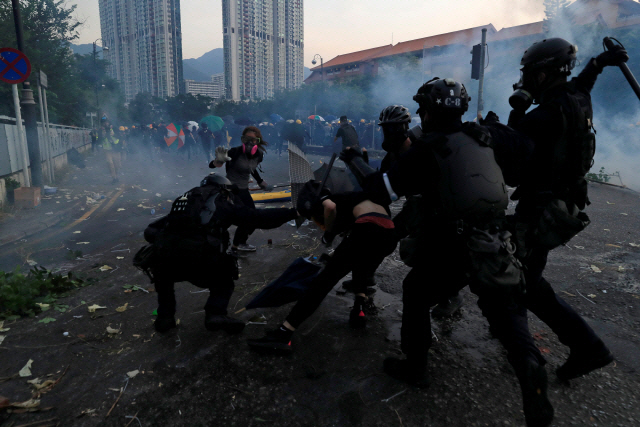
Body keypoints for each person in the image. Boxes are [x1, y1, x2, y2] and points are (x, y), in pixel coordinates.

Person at [342, 78, 552, 427]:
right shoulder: (487, 134)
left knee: (415, 290)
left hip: (452, 245)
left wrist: (355, 162)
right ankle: (529, 364)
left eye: (422, 109)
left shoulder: (427, 148)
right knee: (505, 309)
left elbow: (383, 190)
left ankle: (416, 366)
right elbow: (526, 152)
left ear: (427, 111)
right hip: (495, 238)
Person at [503, 38, 628, 382]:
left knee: (525, 282)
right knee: (525, 277)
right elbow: (584, 82)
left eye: (529, 73)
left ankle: (586, 347)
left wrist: (514, 112)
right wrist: (599, 62)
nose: (525, 78)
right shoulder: (578, 99)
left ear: (542, 76)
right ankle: (521, 342)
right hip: (567, 202)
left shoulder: (541, 117)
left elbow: (512, 161)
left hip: (541, 209)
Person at [247, 180, 398, 353]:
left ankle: (283, 334)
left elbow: (330, 207)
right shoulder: (358, 196)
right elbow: (357, 239)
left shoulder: (328, 197)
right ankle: (359, 310)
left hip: (367, 231)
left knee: (322, 283)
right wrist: (335, 254)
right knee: (361, 268)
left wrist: (329, 231)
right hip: (389, 236)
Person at [137, 173, 299, 334]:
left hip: (165, 262)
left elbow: (150, 232)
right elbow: (257, 218)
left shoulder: (185, 200)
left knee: (163, 277)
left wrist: (173, 241)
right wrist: (293, 213)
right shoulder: (221, 201)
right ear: (223, 189)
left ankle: (165, 318)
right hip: (200, 262)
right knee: (225, 276)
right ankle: (215, 314)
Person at [210, 126, 270, 252]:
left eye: (253, 140)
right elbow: (214, 165)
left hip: (243, 189)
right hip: (230, 189)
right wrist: (218, 160)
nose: (249, 143)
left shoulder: (259, 155)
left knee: (252, 218)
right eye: (246, 139)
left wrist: (261, 182)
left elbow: (251, 169)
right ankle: (234, 246)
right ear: (242, 139)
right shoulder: (235, 152)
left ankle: (240, 243)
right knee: (245, 217)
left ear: (257, 141)